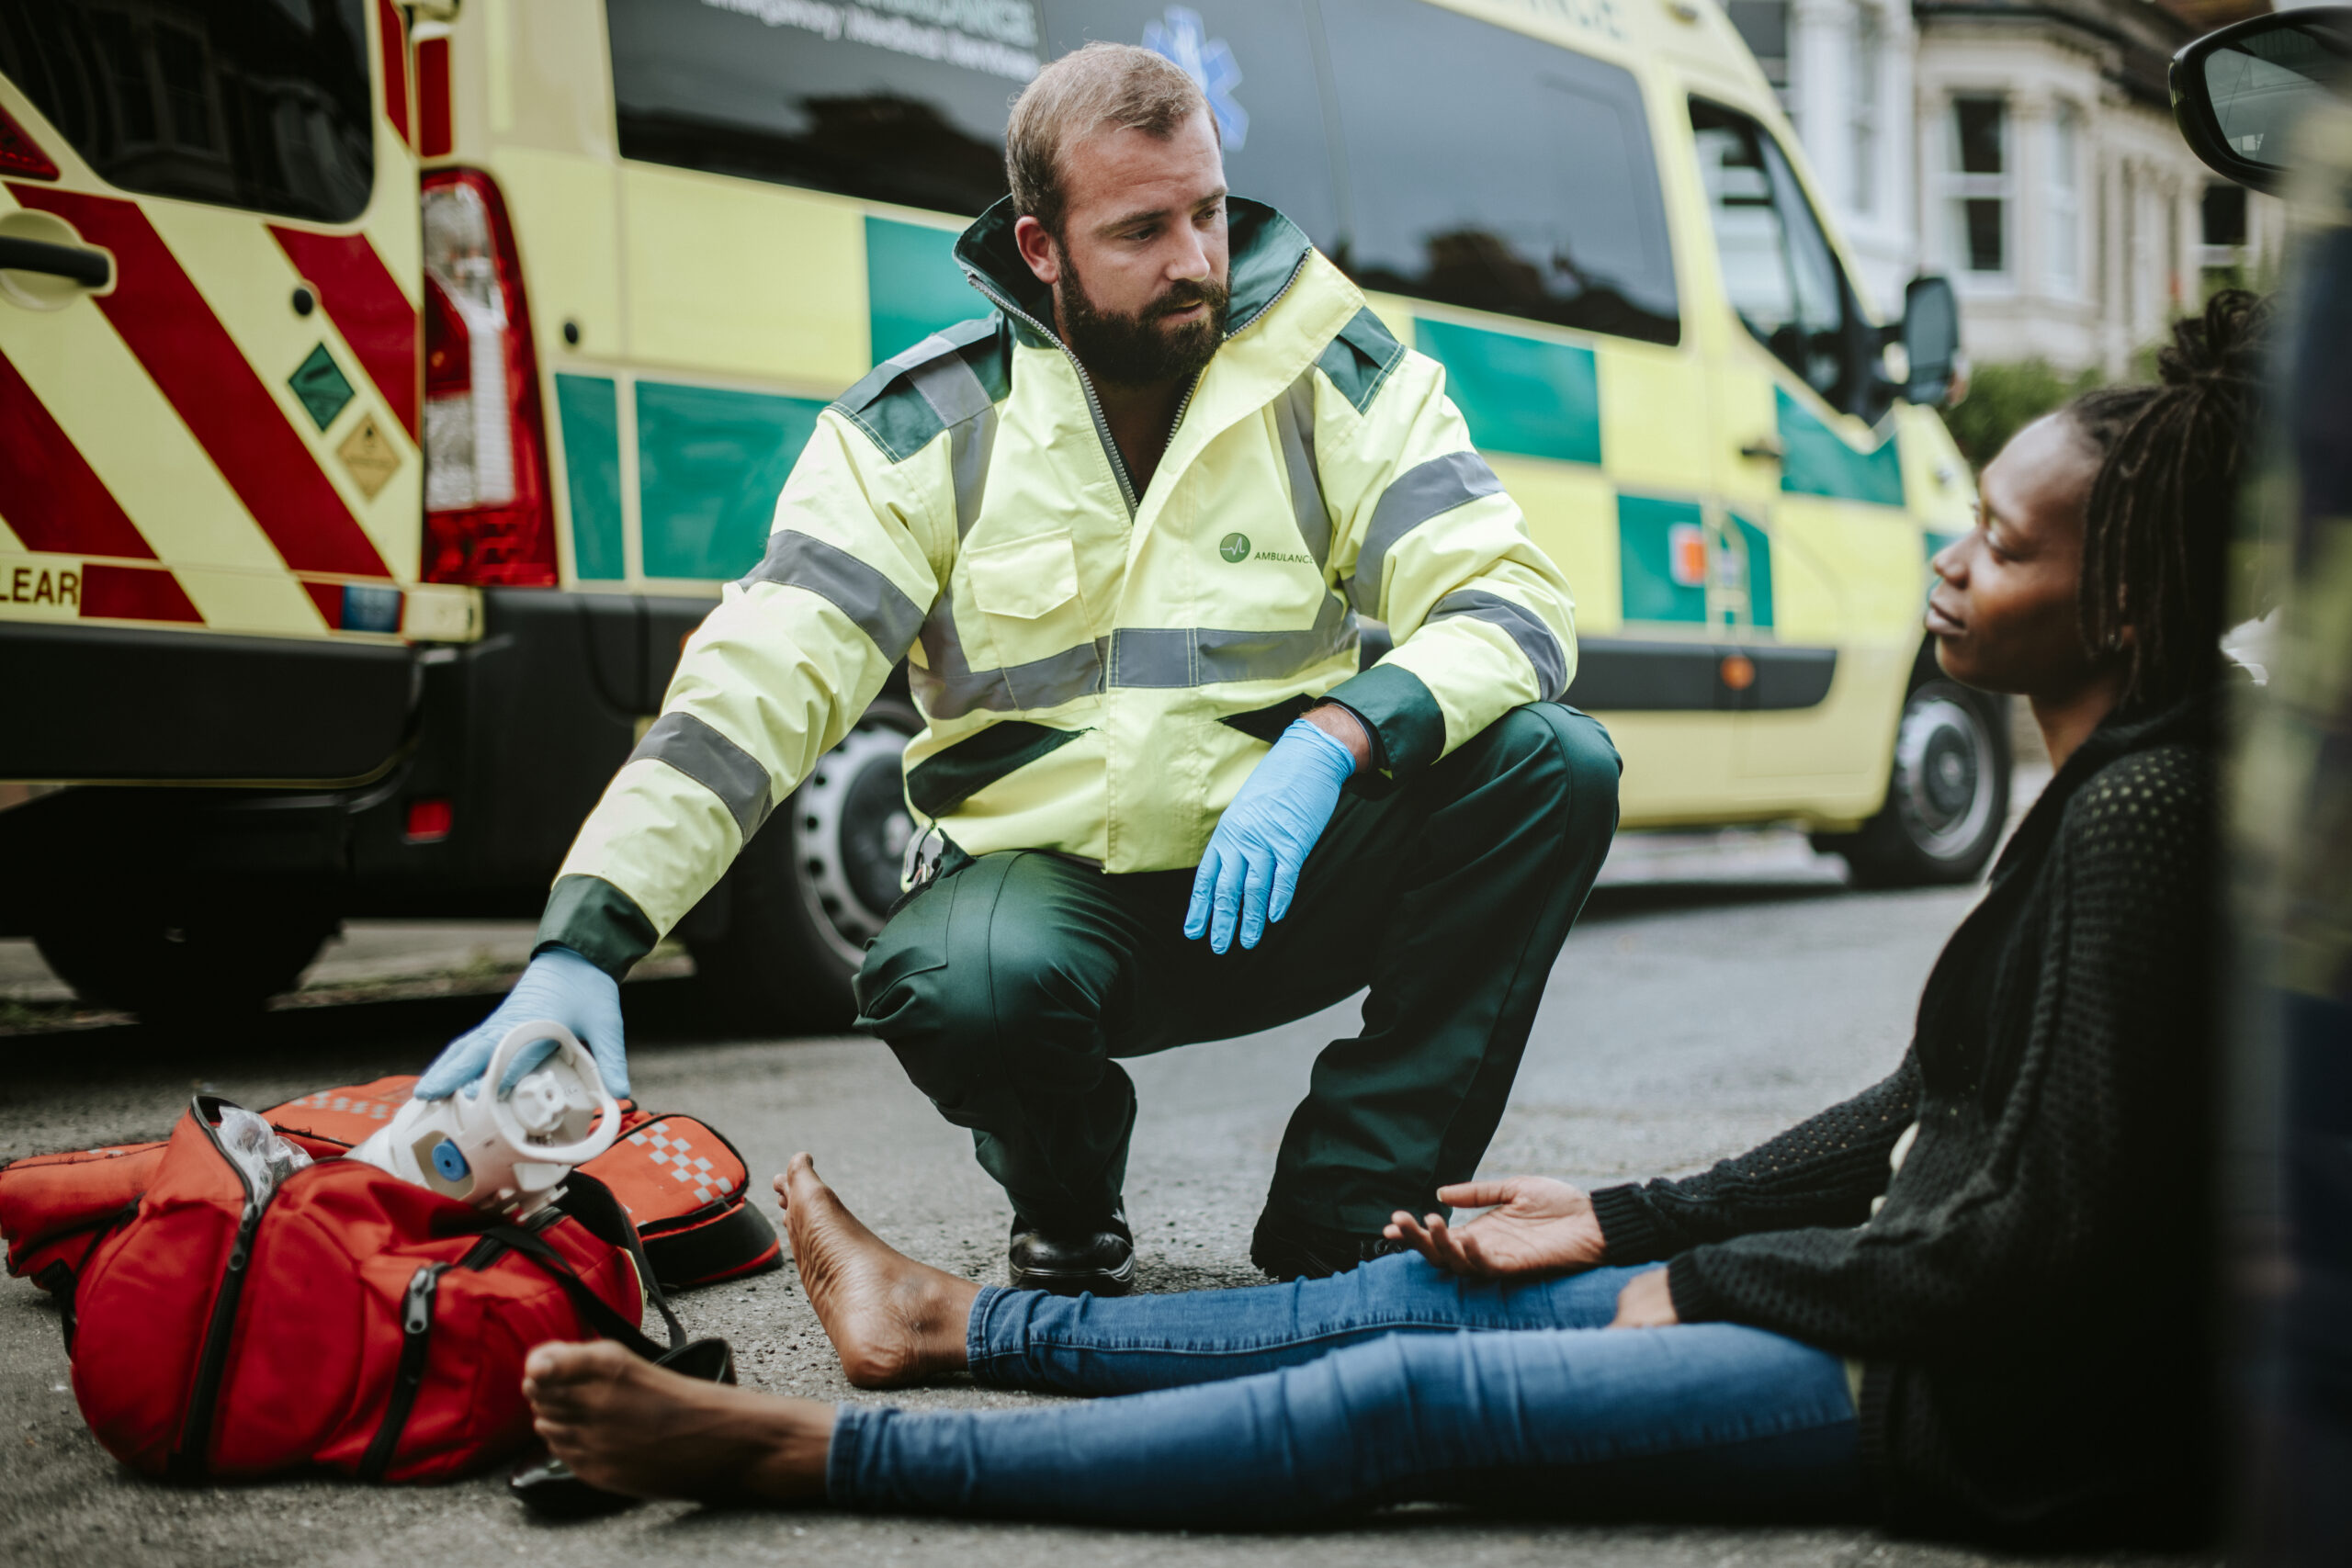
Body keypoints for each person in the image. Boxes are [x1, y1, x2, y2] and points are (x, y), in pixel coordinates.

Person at [514, 293, 2268, 1547]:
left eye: (1996, 543)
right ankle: (955, 1327)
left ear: (2117, 596)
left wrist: (1699, 1280)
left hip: (1965, 1407)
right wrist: (1622, 1218)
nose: (1948, 564)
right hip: (1085, 908)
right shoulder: (2116, 792)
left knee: (1407, 1399)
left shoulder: (2141, 815)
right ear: (1039, 245)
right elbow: (1925, 1122)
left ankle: (805, 1454)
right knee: (1412, 1301)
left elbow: (2024, 1242)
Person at [415, 43, 1621, 1293]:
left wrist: (1337, 737)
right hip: (1054, 916)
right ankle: (1068, 1202)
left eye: (1209, 211)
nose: (1196, 261)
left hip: (1277, 876)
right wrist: (584, 943)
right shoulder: (925, 429)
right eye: (1143, 229)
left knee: (1555, 766)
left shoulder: (1332, 380)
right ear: (1039, 249)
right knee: (963, 981)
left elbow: (1514, 601)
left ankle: (1349, 1207)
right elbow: (752, 695)